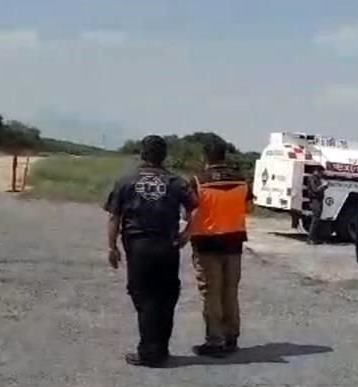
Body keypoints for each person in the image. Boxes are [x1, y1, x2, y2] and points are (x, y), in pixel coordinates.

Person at [106, 135, 197, 367]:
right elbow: (195, 208)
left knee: (144, 297)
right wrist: (187, 233)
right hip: (168, 246)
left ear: (142, 154)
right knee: (166, 297)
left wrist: (111, 246)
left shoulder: (126, 181)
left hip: (139, 247)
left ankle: (149, 352)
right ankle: (160, 348)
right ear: (164, 156)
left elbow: (114, 216)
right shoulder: (176, 182)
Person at [186, 139, 253, 357]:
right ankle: (231, 336)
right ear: (225, 156)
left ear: (205, 157)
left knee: (211, 293)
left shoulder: (198, 181)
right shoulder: (242, 180)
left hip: (206, 243)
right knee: (230, 291)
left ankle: (214, 341)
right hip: (234, 242)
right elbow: (248, 207)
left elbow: (190, 210)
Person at [306, 165, 329, 244]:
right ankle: (310, 238)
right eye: (321, 172)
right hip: (315, 200)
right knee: (315, 220)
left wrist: (324, 187)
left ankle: (314, 238)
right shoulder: (312, 178)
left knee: (317, 219)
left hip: (318, 200)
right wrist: (323, 186)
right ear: (317, 171)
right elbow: (315, 189)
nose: (322, 174)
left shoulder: (317, 179)